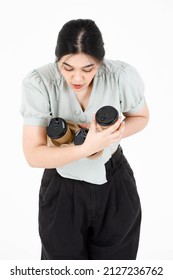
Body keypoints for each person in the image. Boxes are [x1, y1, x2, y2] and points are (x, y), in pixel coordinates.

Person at [20, 19, 149, 260]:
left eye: (88, 68)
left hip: (115, 182)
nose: (77, 77)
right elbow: (33, 154)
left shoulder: (121, 75)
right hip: (61, 186)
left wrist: (115, 134)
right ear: (57, 59)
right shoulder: (38, 83)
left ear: (100, 62)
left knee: (116, 270)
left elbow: (140, 116)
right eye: (67, 67)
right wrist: (88, 146)